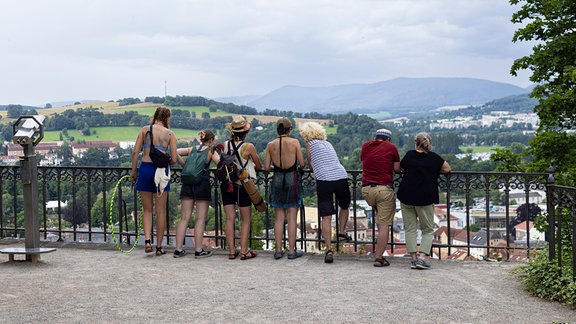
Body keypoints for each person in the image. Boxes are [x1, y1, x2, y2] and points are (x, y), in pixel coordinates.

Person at [397, 132, 451, 270]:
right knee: (427, 229)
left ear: (415, 143)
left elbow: (401, 168)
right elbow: (447, 168)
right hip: (425, 198)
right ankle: (422, 257)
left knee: (410, 229)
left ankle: (414, 259)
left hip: (406, 196)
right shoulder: (434, 158)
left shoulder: (409, 155)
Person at [299, 121, 351, 264]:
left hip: (324, 180)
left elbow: (310, 165)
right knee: (345, 206)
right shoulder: (328, 144)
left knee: (326, 217)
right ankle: (341, 232)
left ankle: (329, 249)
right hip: (340, 177)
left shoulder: (310, 145)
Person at [130, 106, 178, 256]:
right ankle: (158, 247)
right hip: (160, 172)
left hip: (145, 169)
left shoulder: (145, 130)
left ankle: (147, 241)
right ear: (167, 118)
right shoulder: (170, 134)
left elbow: (135, 152)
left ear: (155, 116)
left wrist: (134, 171)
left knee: (147, 210)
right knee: (161, 211)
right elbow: (175, 159)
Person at [221, 116, 262, 260]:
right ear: (244, 132)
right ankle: (244, 251)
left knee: (229, 219)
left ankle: (232, 251)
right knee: (245, 219)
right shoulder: (249, 147)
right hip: (243, 185)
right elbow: (259, 165)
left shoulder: (225, 145)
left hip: (227, 184)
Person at [173, 130, 219, 258]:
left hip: (187, 184)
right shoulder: (210, 151)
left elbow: (174, 152)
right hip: (202, 184)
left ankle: (178, 249)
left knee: (184, 218)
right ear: (211, 140)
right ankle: (198, 250)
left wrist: (184, 165)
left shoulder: (191, 149)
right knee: (200, 219)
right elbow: (220, 163)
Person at [264, 117, 305, 260]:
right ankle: (292, 251)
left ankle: (278, 250)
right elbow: (302, 163)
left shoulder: (270, 145)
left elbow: (266, 167)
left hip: (277, 180)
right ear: (289, 129)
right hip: (291, 179)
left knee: (278, 218)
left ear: (277, 130)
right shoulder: (294, 142)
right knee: (292, 218)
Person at [360, 128, 401, 267]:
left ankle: (378, 250)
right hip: (384, 189)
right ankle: (378, 258)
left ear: (376, 137)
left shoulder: (366, 145)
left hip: (366, 190)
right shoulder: (391, 147)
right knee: (384, 226)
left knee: (379, 221)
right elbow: (396, 169)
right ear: (388, 139)